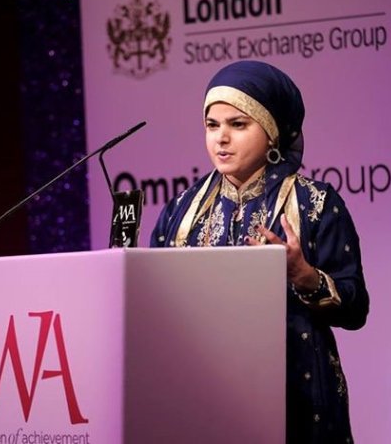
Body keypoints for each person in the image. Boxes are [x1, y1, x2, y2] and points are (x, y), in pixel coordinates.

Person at [150, 60, 369, 443]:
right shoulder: (180, 211)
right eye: (212, 125)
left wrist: (306, 278)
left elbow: (356, 309)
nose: (221, 138)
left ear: (271, 132)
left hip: (299, 400)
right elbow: (154, 307)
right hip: (203, 395)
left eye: (238, 124)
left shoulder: (316, 204)